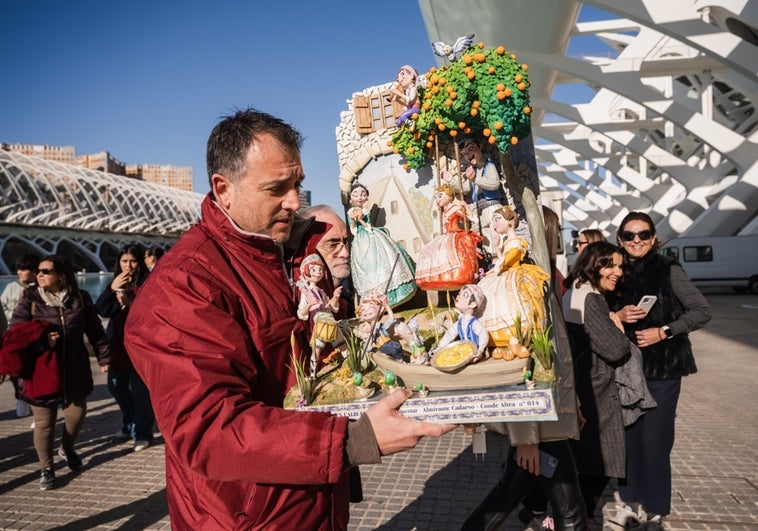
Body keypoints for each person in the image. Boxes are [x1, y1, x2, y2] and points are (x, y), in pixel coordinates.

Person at [123, 108, 455, 530]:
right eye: (277, 188)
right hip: (243, 516)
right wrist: (355, 440)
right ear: (223, 189)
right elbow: (208, 429)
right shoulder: (183, 287)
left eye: (297, 184)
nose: (295, 201)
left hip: (306, 501)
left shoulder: (284, 254)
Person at [609, 211, 711, 526]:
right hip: (625, 372)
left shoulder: (668, 269)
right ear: (620, 239)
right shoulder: (615, 271)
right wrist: (618, 316)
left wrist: (663, 331)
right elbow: (599, 313)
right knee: (629, 442)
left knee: (655, 441)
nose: (636, 241)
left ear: (654, 238)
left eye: (643, 235)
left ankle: (655, 510)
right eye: (629, 235)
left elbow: (701, 311)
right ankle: (629, 503)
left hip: (663, 369)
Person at [562, 241, 655, 523]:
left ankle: (567, 513)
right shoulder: (591, 298)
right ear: (594, 265)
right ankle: (575, 516)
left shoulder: (575, 290)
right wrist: (616, 327)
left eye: (619, 265)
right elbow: (615, 349)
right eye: (610, 265)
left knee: (587, 460)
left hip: (583, 385)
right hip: (596, 390)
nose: (617, 271)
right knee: (599, 461)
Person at [7, 255, 110, 490]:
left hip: (74, 368)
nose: (39, 274)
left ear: (61, 275)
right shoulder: (30, 300)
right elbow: (16, 335)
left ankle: (67, 447)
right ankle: (47, 468)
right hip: (41, 371)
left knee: (77, 413)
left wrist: (104, 356)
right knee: (44, 423)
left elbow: (95, 331)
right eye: (39, 271)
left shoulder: (80, 299)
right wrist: (43, 342)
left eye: (46, 271)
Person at [95, 245, 155, 452]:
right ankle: (128, 424)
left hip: (138, 347)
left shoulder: (148, 283)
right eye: (124, 261)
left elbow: (152, 315)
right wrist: (112, 289)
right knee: (117, 388)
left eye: (133, 261)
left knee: (139, 392)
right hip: (117, 346)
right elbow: (101, 310)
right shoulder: (115, 283)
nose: (128, 266)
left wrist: (130, 303)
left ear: (139, 263)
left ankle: (143, 432)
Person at [477, 206, 550, 348]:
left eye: (498, 219)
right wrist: (497, 247)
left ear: (510, 221)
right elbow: (503, 260)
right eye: (493, 221)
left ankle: (518, 332)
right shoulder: (507, 242)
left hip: (514, 274)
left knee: (513, 299)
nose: (494, 224)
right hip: (505, 272)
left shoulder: (516, 241)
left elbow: (509, 259)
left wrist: (498, 266)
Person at [347, 181, 416, 308]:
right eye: (356, 194)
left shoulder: (366, 211)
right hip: (360, 241)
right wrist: (355, 219)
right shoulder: (351, 212)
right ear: (350, 197)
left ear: (367, 197)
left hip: (372, 235)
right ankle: (373, 299)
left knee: (382, 260)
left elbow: (368, 227)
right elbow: (353, 230)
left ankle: (393, 296)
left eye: (363, 194)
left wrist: (361, 219)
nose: (360, 197)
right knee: (368, 266)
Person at [442, 137, 511, 256]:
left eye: (471, 149)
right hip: (482, 210)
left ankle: (502, 259)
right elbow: (466, 188)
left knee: (497, 237)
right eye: (465, 153)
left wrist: (475, 179)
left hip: (492, 206)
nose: (469, 154)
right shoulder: (475, 170)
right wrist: (451, 181)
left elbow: (494, 184)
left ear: (480, 147)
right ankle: (492, 261)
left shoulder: (489, 166)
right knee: (486, 239)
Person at [415, 184, 482, 291]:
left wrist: (466, 207)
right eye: (436, 197)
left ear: (449, 196)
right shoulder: (444, 211)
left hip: (457, 236)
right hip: (448, 236)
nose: (437, 200)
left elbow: (471, 219)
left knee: (457, 256)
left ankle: (461, 276)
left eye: (440, 196)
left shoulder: (455, 208)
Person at [1, 252, 40, 417]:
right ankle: (21, 399)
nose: (19, 273)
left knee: (33, 371)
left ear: (33, 271)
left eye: (23, 269)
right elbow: (2, 310)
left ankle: (34, 403)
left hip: (33, 336)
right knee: (15, 371)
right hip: (14, 336)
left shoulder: (40, 289)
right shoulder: (11, 288)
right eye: (18, 269)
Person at [302, 204, 354, 317]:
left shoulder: (354, 290)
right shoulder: (302, 296)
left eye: (344, 242)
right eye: (332, 245)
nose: (345, 253)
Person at [430, 284, 489, 363]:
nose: (458, 296)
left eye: (465, 295)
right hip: (463, 352)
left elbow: (483, 333)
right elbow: (449, 335)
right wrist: (439, 348)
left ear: (473, 304)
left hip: (474, 352)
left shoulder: (474, 323)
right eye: (459, 293)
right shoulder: (459, 323)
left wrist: (481, 349)